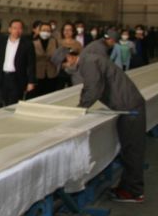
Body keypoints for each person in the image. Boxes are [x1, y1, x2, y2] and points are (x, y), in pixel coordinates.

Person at [53, 44, 147, 202]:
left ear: (69, 57)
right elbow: (89, 87)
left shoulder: (88, 63)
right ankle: (128, 187)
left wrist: (79, 110)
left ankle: (134, 192)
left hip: (130, 109)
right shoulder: (89, 61)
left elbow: (94, 89)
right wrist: (80, 105)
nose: (65, 68)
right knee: (129, 149)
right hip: (127, 106)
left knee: (132, 150)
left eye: (64, 65)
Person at [0, 19, 36, 106]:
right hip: (1, 77)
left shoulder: (27, 44)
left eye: (19, 28)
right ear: (9, 29)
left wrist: (31, 82)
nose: (17, 30)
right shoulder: (0, 41)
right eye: (14, 28)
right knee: (1, 103)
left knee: (14, 104)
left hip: (17, 79)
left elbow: (31, 64)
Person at [31, 20, 58, 97]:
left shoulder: (54, 41)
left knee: (51, 95)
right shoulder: (33, 42)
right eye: (43, 30)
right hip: (38, 73)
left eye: (48, 30)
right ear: (39, 31)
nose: (45, 32)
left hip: (51, 73)